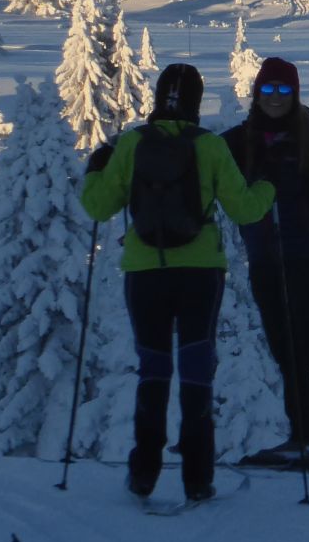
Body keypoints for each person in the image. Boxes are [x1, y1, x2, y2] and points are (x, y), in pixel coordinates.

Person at [81, 63, 275, 503]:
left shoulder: (132, 144)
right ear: (196, 102)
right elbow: (245, 210)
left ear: (158, 98)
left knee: (153, 369)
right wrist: (268, 187)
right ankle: (197, 477)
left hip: (144, 270)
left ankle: (144, 472)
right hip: (200, 272)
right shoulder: (209, 146)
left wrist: (95, 169)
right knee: (196, 370)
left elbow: (98, 207)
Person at [221, 57, 309, 466]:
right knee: (285, 348)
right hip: (265, 257)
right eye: (268, 89)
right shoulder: (240, 139)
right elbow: (200, 158)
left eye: (284, 89)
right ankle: (304, 433)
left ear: (295, 94)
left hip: (308, 256)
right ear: (257, 93)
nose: (276, 97)